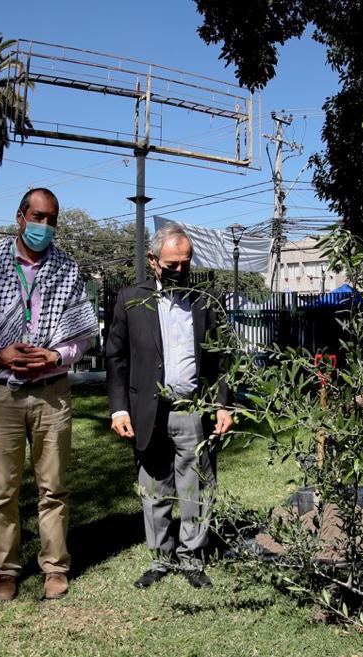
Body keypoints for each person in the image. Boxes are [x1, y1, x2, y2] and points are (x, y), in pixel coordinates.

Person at [0, 188, 97, 601]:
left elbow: (83, 335)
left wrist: (53, 355)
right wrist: (0, 353)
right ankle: (5, 570)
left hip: (52, 392)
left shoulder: (67, 269)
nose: (45, 227)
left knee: (53, 488)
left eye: (52, 219)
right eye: (38, 217)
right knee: (4, 489)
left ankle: (55, 566)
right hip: (2, 394)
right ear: (20, 217)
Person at [105, 223, 233, 590]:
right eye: (172, 263)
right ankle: (160, 558)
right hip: (148, 411)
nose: (180, 269)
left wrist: (224, 405)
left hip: (193, 411)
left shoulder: (205, 302)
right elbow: (115, 357)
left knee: (196, 488)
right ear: (153, 260)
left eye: (186, 263)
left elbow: (222, 360)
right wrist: (119, 409)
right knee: (155, 488)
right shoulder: (131, 299)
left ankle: (192, 557)